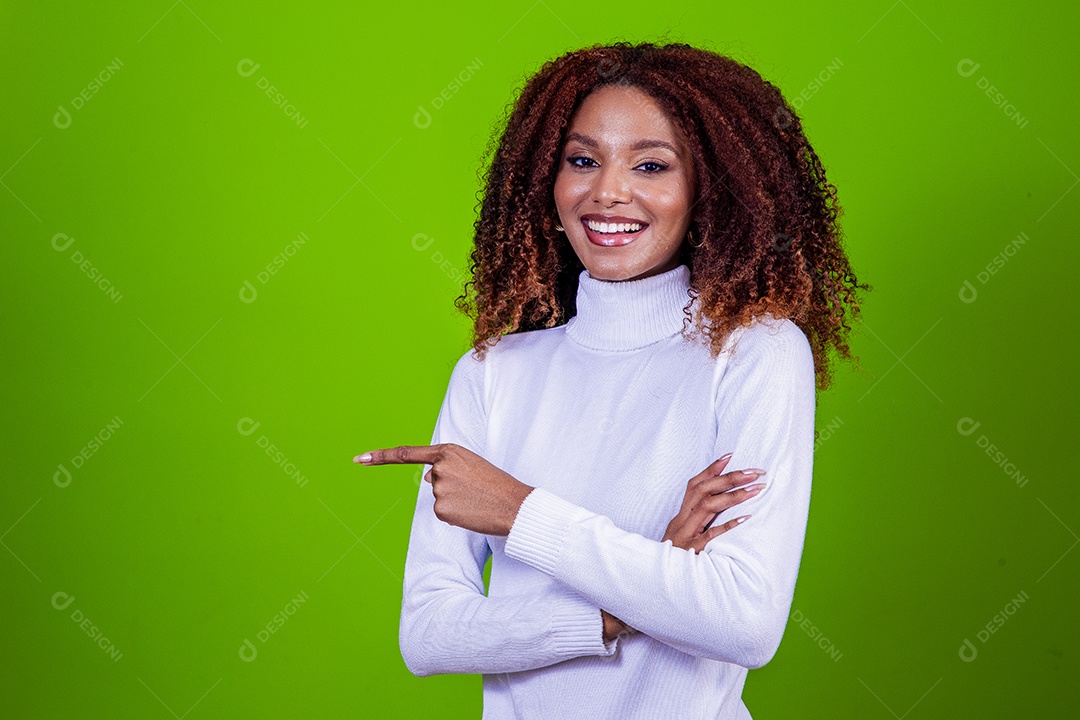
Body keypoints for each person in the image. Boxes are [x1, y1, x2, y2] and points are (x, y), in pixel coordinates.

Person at [354, 41, 869, 719]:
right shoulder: (492, 373)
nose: (607, 192)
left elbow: (742, 621)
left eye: (651, 164)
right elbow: (428, 635)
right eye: (583, 160)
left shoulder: (755, 352)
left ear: (709, 187)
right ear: (549, 177)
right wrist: (623, 604)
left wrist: (517, 509)